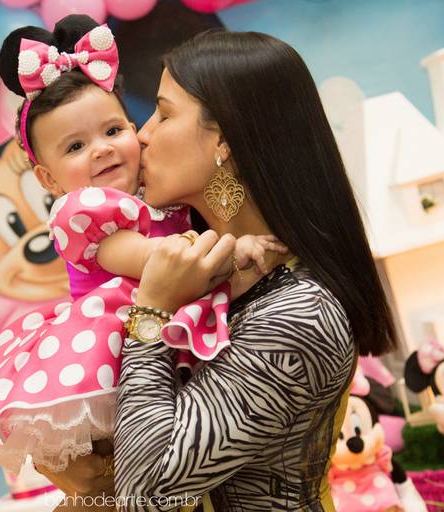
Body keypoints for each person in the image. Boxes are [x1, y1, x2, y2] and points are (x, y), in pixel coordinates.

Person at [40, 30, 399, 512]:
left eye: (164, 113)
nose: (141, 134)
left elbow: (145, 495)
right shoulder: (206, 274)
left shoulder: (300, 311)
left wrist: (151, 313)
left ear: (224, 140)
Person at [0, 16, 285, 498]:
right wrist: (234, 250)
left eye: (113, 130)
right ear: (48, 179)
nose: (102, 150)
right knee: (115, 472)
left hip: (162, 334)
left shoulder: (157, 194)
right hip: (115, 347)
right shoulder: (85, 210)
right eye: (76, 146)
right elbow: (159, 261)